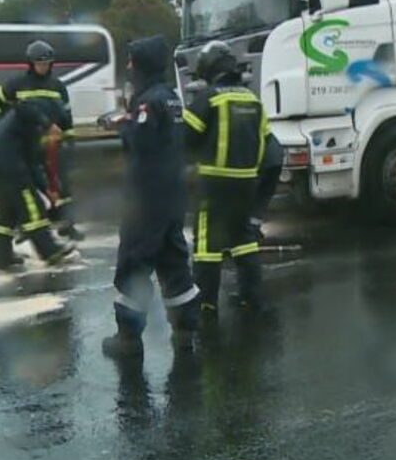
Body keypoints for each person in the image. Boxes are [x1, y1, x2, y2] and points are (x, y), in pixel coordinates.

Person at [102, 35, 200, 358]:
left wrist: (122, 126)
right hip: (171, 194)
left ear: (142, 63)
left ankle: (128, 339)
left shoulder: (149, 101)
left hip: (146, 198)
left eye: (131, 60)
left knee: (134, 263)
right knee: (174, 261)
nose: (128, 67)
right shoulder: (171, 97)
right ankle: (185, 331)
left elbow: (142, 140)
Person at [182, 40, 272, 318]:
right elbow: (266, 140)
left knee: (207, 245)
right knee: (243, 239)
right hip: (246, 182)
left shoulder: (209, 98)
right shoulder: (252, 99)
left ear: (209, 68)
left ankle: (206, 304)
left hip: (213, 184)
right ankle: (252, 297)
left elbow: (186, 138)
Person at [0, 40, 83, 241]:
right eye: (39, 63)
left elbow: (66, 117)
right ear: (30, 63)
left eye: (47, 63)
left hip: (53, 144)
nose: (43, 67)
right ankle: (28, 228)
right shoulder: (15, 83)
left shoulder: (58, 87)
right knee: (31, 187)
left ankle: (68, 224)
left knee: (64, 186)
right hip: (25, 145)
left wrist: (69, 142)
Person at [0, 100, 76, 270]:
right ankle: (50, 252)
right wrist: (48, 124)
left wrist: (46, 189)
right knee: (33, 209)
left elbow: (32, 163)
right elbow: (22, 106)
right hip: (10, 167)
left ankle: (1, 257)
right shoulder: (26, 115)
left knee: (7, 213)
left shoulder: (24, 129)